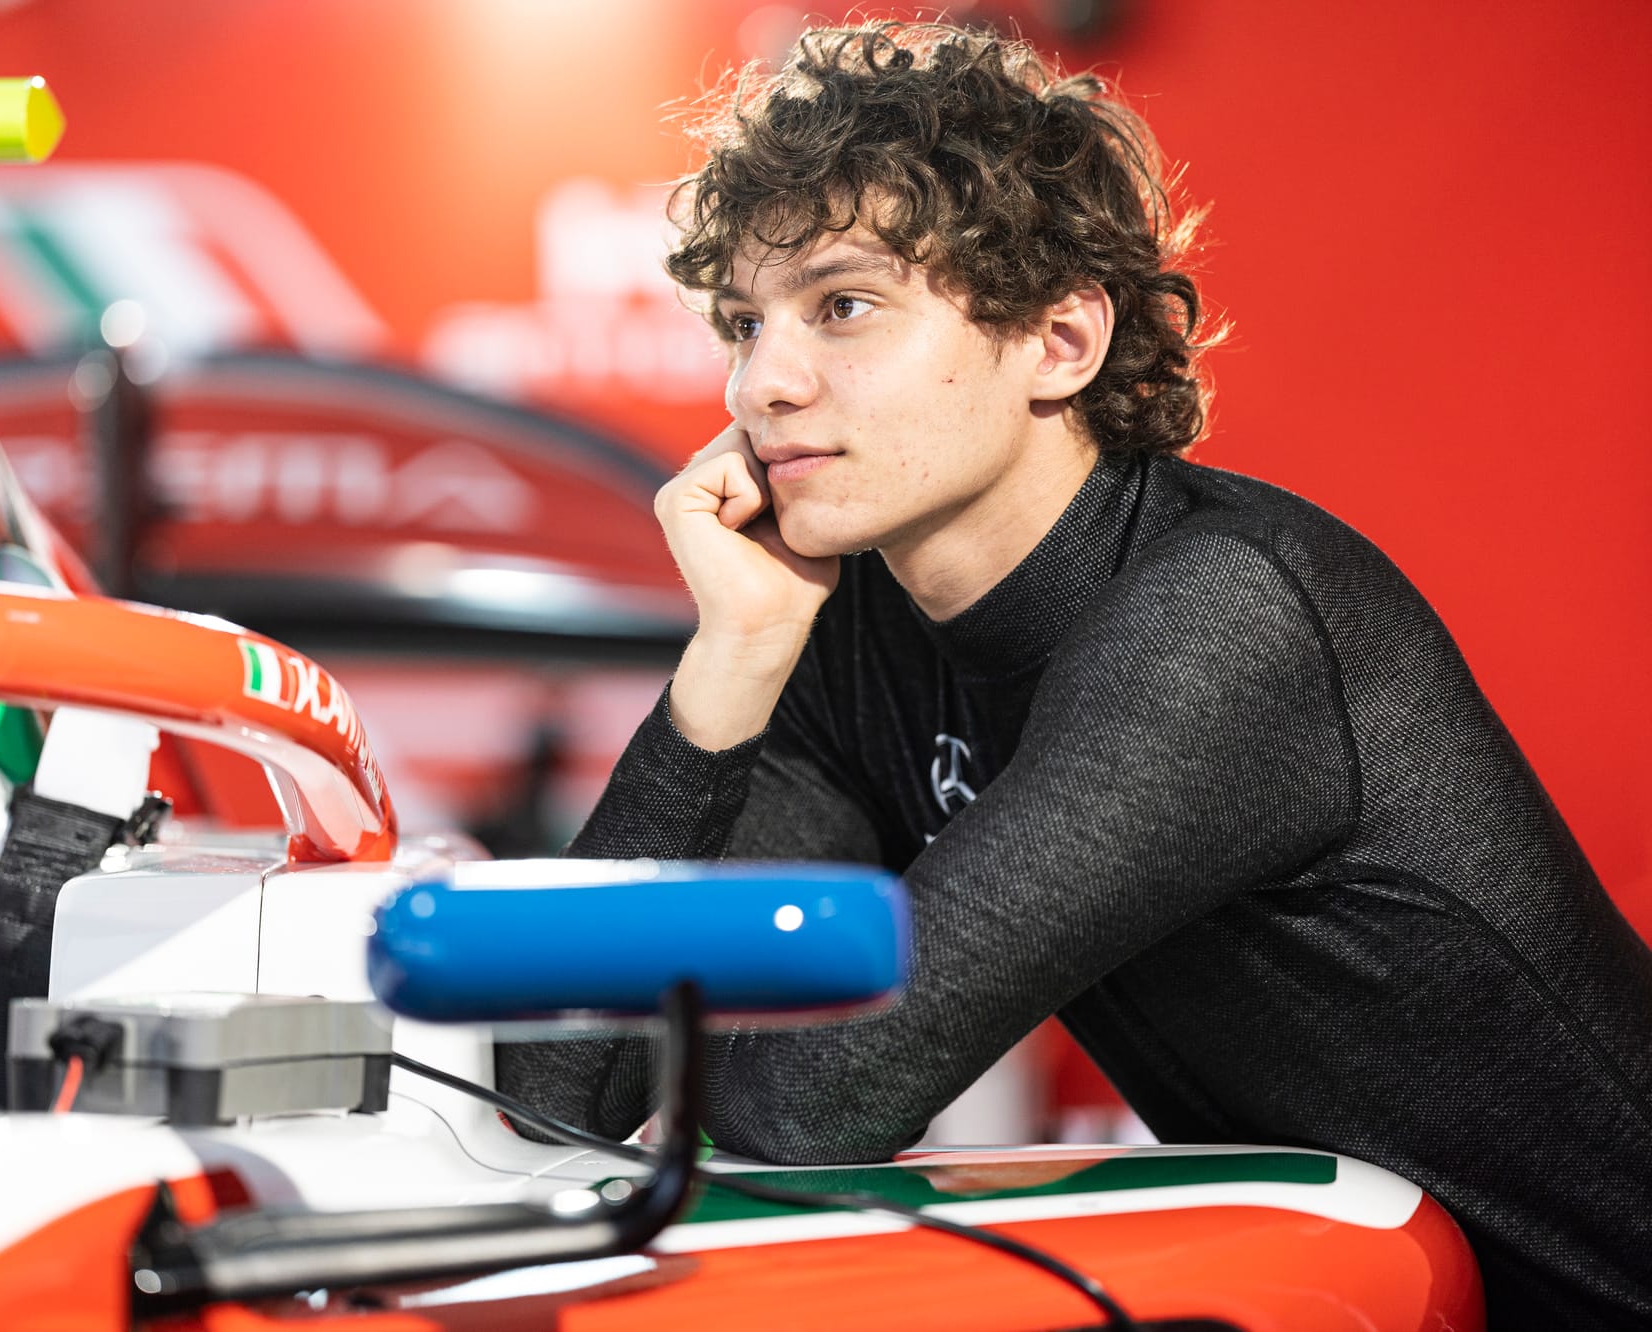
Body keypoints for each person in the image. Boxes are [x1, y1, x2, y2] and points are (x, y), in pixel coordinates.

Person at [496, 20, 1652, 1328]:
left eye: (845, 307)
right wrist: (733, 661)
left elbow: (811, 1106)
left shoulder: (1226, 617)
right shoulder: (852, 634)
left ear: (1061, 340)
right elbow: (548, 1092)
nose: (766, 381)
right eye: (745, 324)